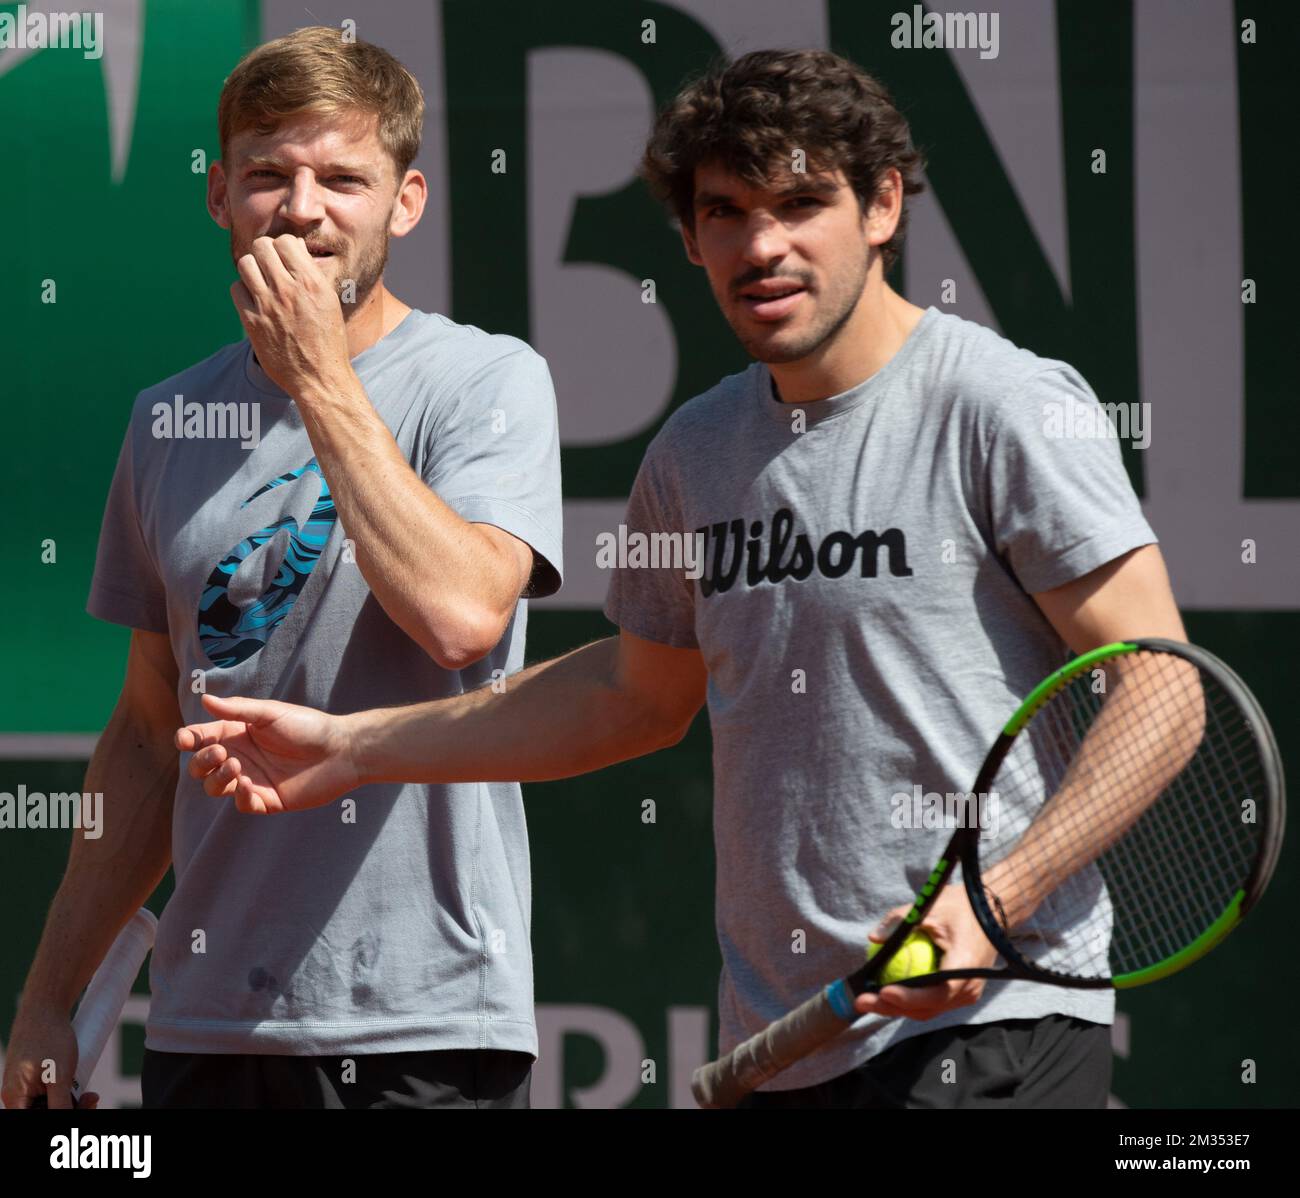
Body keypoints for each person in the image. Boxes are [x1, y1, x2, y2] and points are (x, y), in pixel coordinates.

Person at [173, 49, 1186, 1109]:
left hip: (989, 1028)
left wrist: (993, 901)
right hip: (785, 1040)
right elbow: (631, 696)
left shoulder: (1004, 404)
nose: (763, 246)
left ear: (882, 205)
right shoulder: (697, 449)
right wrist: (354, 750)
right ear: (691, 238)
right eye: (726, 212)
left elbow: (1161, 685)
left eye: (801, 203)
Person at [1, 26, 562, 1111]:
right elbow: (144, 732)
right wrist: (47, 1003)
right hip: (205, 1026)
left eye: (342, 178)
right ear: (219, 197)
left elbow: (459, 617)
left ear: (404, 203)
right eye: (268, 174)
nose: (303, 209)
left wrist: (317, 378)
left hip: (425, 1020)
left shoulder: (486, 379)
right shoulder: (166, 417)